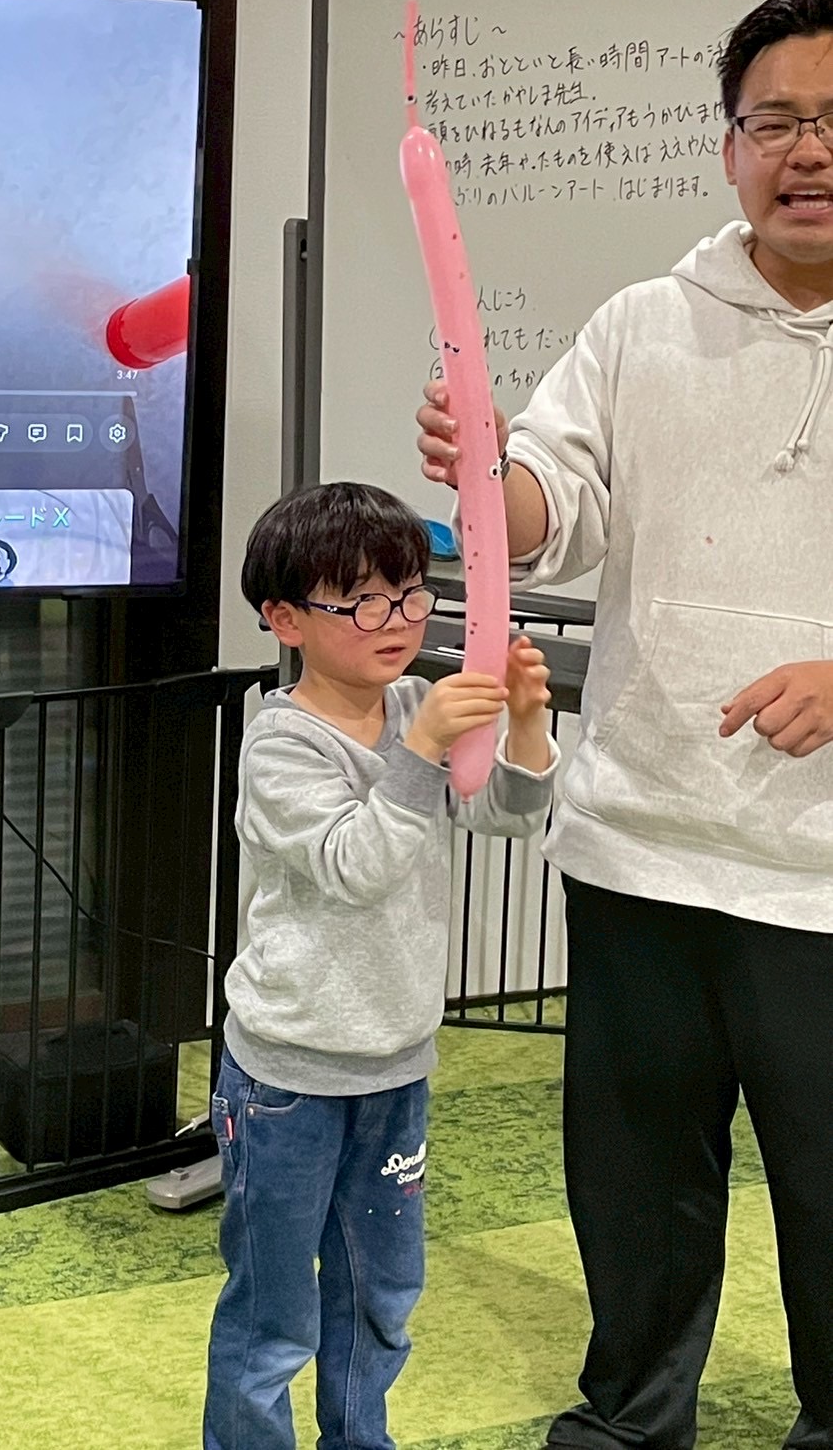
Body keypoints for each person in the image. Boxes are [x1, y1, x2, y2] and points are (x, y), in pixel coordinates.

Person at [416, 0, 833, 1447]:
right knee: (638, 1184)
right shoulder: (644, 323)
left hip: (822, 880)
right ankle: (632, 1418)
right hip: (640, 846)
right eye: (776, 121)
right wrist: (490, 472)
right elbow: (550, 509)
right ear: (729, 147)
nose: (808, 150)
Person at [203, 481, 559, 1450]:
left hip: (397, 1064)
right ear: (285, 618)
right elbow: (355, 865)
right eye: (359, 601)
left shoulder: (412, 705)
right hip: (288, 1076)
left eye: (408, 593)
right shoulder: (281, 745)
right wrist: (423, 746)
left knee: (381, 1293)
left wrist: (526, 723)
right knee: (273, 1311)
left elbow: (503, 813)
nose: (396, 619)